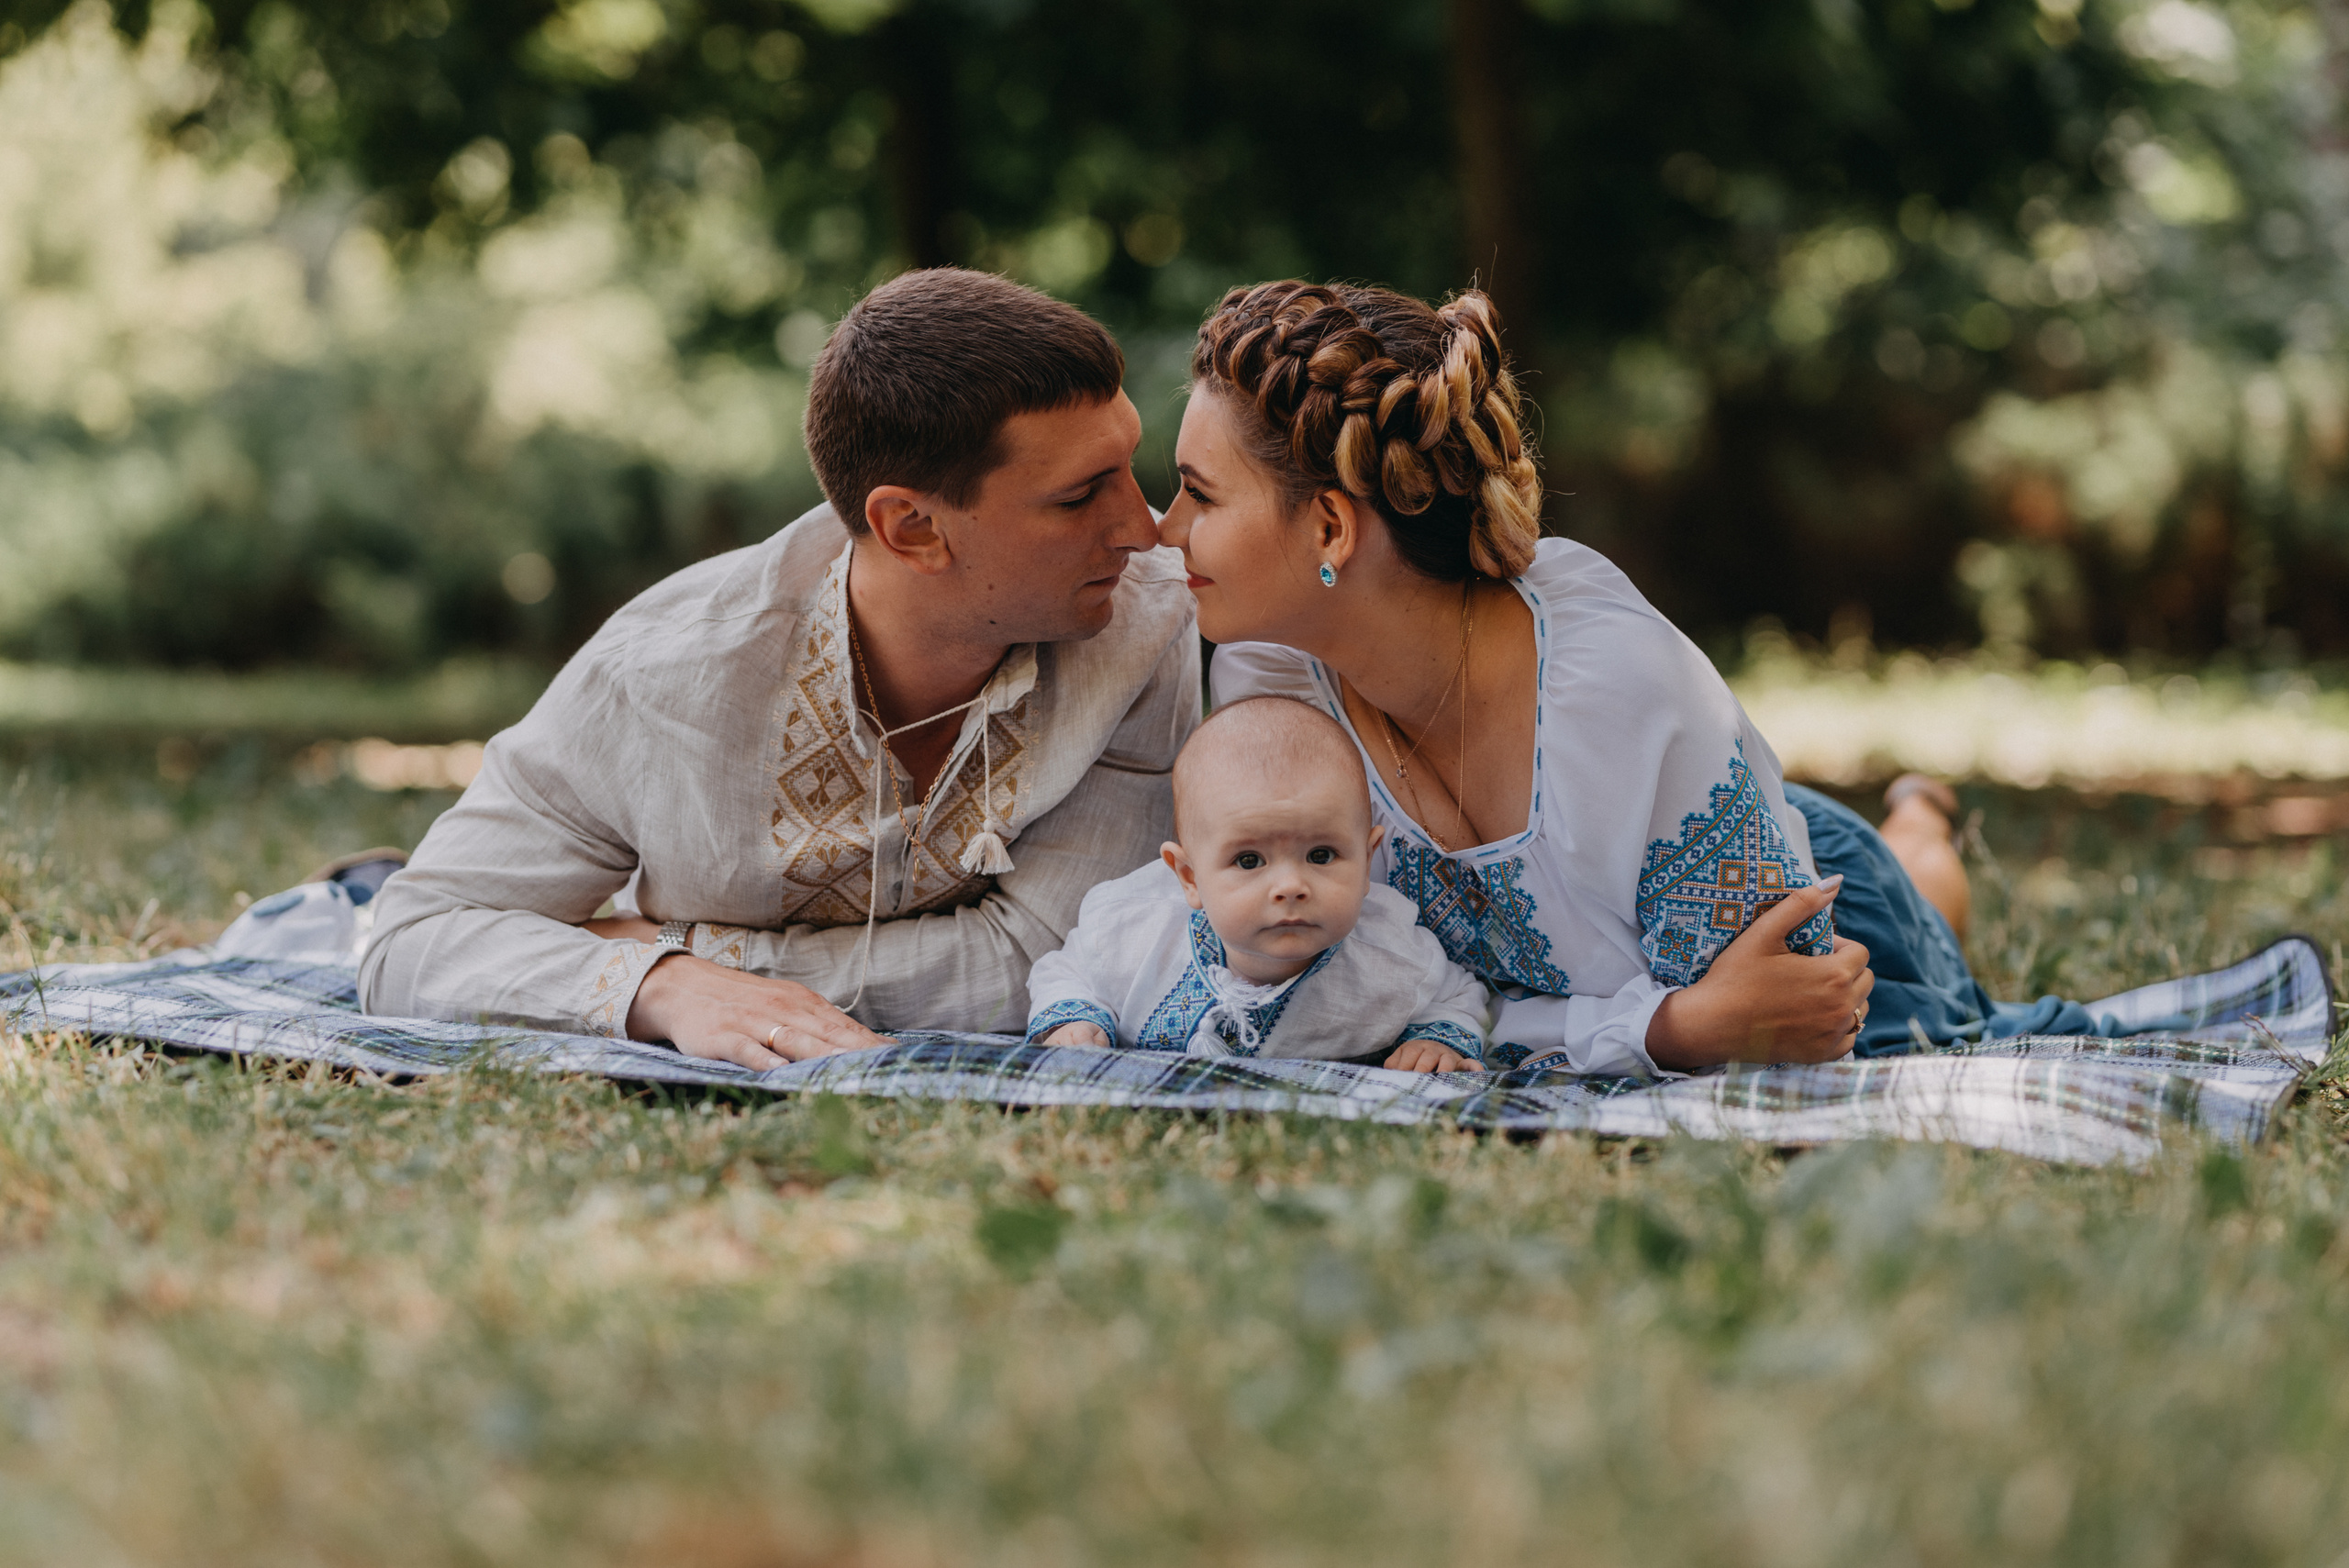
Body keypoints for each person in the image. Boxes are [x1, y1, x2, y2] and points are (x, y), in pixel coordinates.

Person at [1160, 280, 2110, 1076]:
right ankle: (1913, 824)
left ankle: (1919, 822)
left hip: (1821, 908)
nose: (1163, 529)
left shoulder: (1614, 690)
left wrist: (1677, 1027)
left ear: (1329, 527)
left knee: (1922, 925)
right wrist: (1667, 1029)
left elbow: (1777, 1018)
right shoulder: (1270, 676)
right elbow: (1329, 994)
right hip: (1667, 889)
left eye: (1197, 494)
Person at [359, 269, 1199, 1069]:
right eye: (1080, 495)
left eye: (1131, 466)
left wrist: (670, 949)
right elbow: (411, 940)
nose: (1145, 527)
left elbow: (1045, 962)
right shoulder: (662, 674)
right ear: (911, 527)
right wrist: (666, 990)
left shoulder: (1154, 626)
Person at [1025, 695, 1489, 1071]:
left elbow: (1457, 994)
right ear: (1189, 878)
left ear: (1367, 863)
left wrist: (1436, 1039)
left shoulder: (1393, 960)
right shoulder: (1134, 930)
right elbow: (1067, 970)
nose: (1290, 885)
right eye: (1249, 860)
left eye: (1321, 855)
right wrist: (1076, 1018)